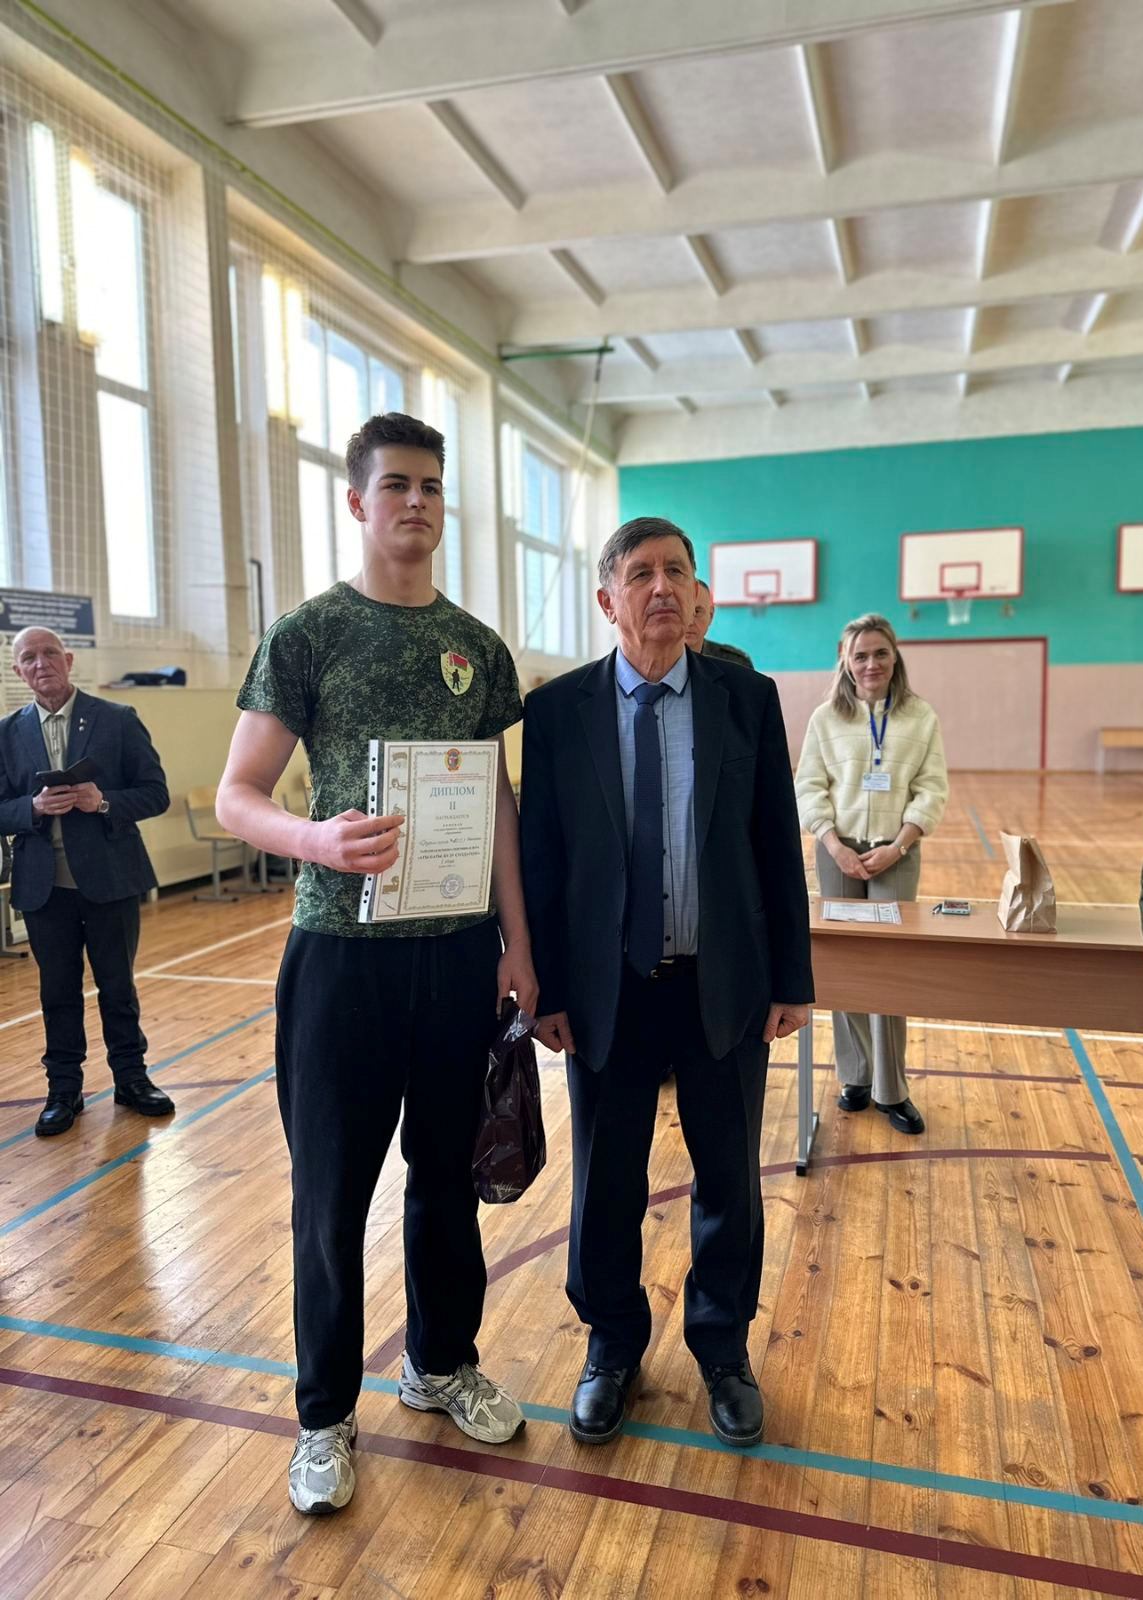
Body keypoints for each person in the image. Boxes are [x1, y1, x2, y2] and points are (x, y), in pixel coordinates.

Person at [216, 411, 538, 1517]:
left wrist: (518, 941)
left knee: (446, 1181)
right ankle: (323, 1416)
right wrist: (315, 838)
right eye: (395, 485)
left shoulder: (477, 648)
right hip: (339, 965)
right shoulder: (306, 634)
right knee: (330, 1197)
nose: (415, 502)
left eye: (431, 487)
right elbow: (236, 796)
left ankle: (439, 1365)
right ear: (358, 502)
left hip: (456, 958)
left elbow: (496, 802)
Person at [520, 516, 812, 1450]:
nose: (661, 588)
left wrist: (792, 978)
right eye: (640, 573)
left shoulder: (745, 699)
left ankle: (722, 1350)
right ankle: (611, 1346)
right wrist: (545, 990)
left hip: (720, 983)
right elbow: (542, 859)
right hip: (607, 991)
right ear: (606, 598)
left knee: (728, 1178)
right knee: (606, 1181)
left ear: (695, 595)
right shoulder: (556, 711)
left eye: (676, 572)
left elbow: (776, 845)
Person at [0, 627, 172, 1136]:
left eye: (50, 653)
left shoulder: (117, 719)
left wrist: (103, 802)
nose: (41, 663)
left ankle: (131, 1079)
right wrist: (31, 808)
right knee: (57, 991)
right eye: (29, 657)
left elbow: (155, 793)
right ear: (18, 671)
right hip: (42, 887)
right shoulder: (6, 733)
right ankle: (63, 1090)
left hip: (111, 880)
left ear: (69, 659)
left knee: (117, 987)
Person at [794, 612, 948, 1135]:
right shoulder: (826, 719)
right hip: (837, 853)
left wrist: (899, 844)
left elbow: (932, 788)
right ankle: (855, 1075)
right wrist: (832, 843)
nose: (871, 664)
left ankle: (892, 1089)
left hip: (895, 853)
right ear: (846, 661)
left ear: (894, 656)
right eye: (860, 655)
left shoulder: (919, 716)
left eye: (880, 653)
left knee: (888, 968)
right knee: (846, 964)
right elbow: (809, 786)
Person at [685, 578, 754, 668]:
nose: (689, 622)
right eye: (682, 612)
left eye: (697, 612)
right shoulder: (664, 664)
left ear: (711, 616)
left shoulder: (736, 663)